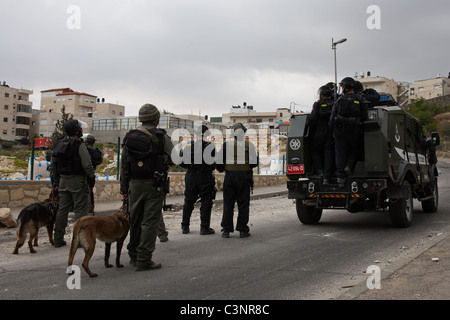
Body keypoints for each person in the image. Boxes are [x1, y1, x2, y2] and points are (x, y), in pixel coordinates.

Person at [120, 104, 173, 271]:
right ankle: (144, 259)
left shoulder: (130, 136)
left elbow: (124, 166)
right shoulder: (161, 136)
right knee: (150, 222)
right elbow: (174, 159)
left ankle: (133, 255)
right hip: (153, 185)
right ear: (156, 119)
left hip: (133, 185)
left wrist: (124, 189)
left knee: (134, 220)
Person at [50, 119, 95, 247]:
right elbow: (87, 164)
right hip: (78, 181)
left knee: (62, 210)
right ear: (76, 131)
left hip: (63, 181)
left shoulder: (59, 144)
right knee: (80, 210)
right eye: (80, 129)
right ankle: (79, 240)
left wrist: (56, 182)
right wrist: (91, 177)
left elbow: (53, 166)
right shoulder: (79, 145)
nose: (82, 131)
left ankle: (58, 239)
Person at [216, 123, 258, 238]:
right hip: (244, 177)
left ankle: (226, 230)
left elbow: (219, 162)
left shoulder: (226, 145)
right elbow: (254, 163)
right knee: (243, 204)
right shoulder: (249, 145)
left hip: (229, 177)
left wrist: (224, 168)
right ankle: (242, 230)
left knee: (228, 204)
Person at [329, 77, 368, 187]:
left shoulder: (339, 100)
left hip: (340, 131)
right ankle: (349, 165)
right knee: (355, 149)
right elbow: (365, 116)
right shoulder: (361, 99)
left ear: (345, 88)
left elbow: (332, 118)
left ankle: (340, 178)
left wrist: (332, 131)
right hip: (354, 131)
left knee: (340, 154)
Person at [179, 124, 216, 235]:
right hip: (205, 177)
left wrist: (191, 166)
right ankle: (204, 228)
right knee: (206, 201)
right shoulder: (210, 147)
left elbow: (181, 162)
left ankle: (185, 227)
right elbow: (214, 164)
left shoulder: (188, 146)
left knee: (188, 201)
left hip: (191, 176)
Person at [306, 85, 335, 185]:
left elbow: (312, 119)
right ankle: (327, 176)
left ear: (321, 95)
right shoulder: (335, 104)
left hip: (319, 133)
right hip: (331, 133)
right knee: (329, 153)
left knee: (314, 150)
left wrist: (308, 121)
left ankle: (320, 171)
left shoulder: (317, 104)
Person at [83, 134, 103, 215]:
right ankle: (91, 210)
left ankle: (87, 212)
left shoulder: (85, 150)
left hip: (84, 174)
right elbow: (100, 161)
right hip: (92, 174)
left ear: (86, 142)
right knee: (90, 193)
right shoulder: (96, 151)